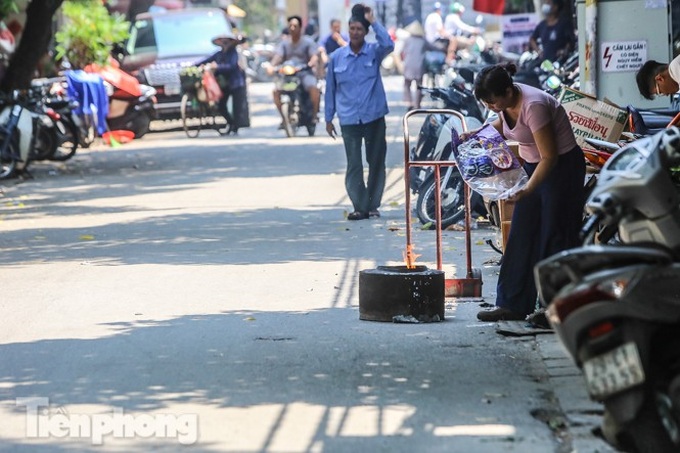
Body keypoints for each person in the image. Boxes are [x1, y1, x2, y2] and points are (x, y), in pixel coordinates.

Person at [470, 63, 585, 322]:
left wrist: (528, 189)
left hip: (560, 168)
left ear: (508, 91)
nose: (490, 106)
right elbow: (501, 125)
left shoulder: (533, 105)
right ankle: (511, 303)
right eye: (486, 103)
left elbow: (550, 156)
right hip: (536, 166)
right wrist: (474, 134)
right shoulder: (505, 105)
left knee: (554, 236)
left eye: (492, 101)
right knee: (522, 233)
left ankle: (554, 309)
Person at [325, 3, 394, 221]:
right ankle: (359, 206)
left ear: (365, 32)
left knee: (376, 162)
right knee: (354, 164)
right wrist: (328, 118)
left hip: (374, 116)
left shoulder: (374, 52)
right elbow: (330, 89)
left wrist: (373, 21)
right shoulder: (337, 57)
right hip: (348, 119)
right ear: (348, 29)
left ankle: (372, 205)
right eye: (352, 28)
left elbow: (388, 43)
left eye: (360, 29)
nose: (355, 33)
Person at [268, 15, 320, 127]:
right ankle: (283, 119)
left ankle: (315, 115)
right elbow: (278, 56)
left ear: (300, 28)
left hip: (304, 73)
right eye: (290, 26)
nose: (292, 28)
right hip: (289, 75)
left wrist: (311, 63)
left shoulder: (308, 42)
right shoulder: (284, 44)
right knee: (276, 91)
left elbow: (314, 56)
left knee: (313, 88)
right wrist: (271, 66)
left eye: (295, 26)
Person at [197, 33, 250, 135]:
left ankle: (235, 127)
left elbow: (232, 66)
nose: (225, 44)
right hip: (224, 85)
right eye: (223, 42)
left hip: (236, 83)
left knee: (237, 107)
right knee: (221, 105)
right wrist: (193, 65)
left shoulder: (234, 53)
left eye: (226, 41)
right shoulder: (218, 54)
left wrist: (217, 67)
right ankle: (230, 123)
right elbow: (205, 60)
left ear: (231, 42)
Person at [401, 20, 440, 110]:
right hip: (419, 66)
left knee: (407, 84)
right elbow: (433, 47)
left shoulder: (407, 40)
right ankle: (417, 104)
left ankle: (409, 102)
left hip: (408, 65)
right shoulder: (423, 40)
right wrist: (443, 49)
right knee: (419, 86)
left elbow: (402, 52)